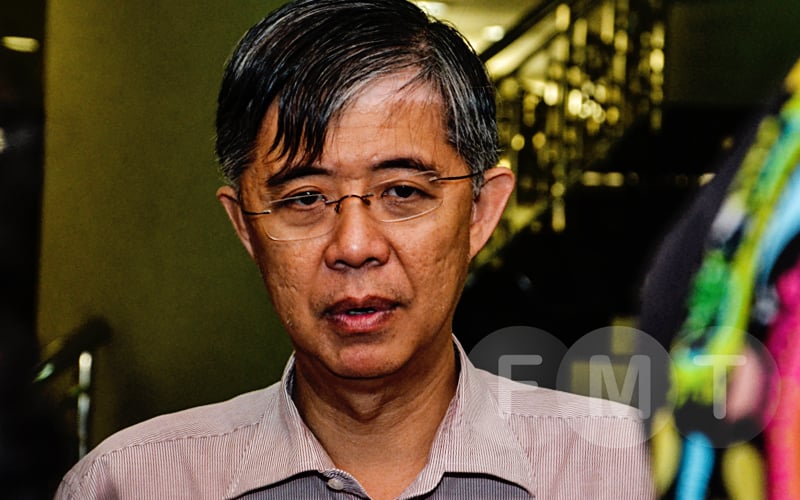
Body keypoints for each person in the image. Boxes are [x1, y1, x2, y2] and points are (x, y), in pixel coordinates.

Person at [55, 1, 654, 498]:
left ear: (480, 212)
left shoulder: (621, 470)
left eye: (402, 192)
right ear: (245, 227)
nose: (355, 245)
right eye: (305, 198)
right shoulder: (131, 483)